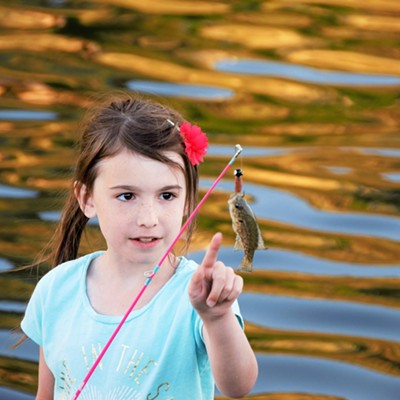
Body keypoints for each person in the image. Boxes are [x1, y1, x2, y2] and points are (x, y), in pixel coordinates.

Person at [21, 94, 258, 399]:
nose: (148, 219)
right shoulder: (55, 289)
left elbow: (239, 386)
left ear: (188, 201)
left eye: (167, 196)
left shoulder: (200, 295)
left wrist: (217, 318)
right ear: (87, 199)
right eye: (127, 196)